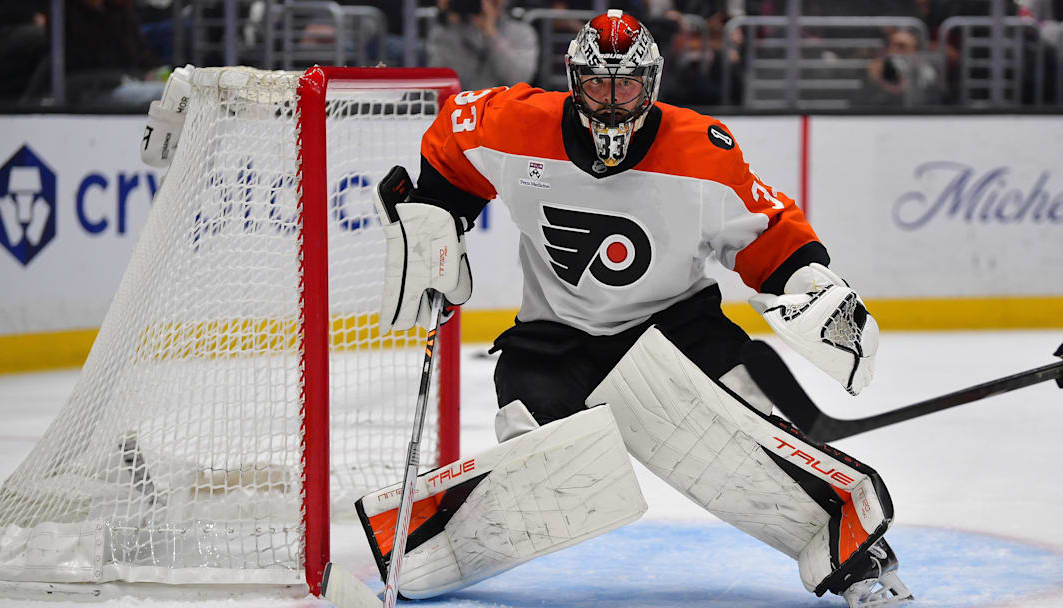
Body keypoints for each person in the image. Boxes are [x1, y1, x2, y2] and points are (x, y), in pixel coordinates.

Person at [365, 10, 912, 607]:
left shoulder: (701, 150)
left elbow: (767, 230)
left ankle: (858, 555)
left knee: (748, 441)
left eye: (626, 84)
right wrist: (437, 216)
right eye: (598, 84)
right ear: (574, 81)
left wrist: (813, 285)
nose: (611, 101)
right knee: (539, 465)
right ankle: (423, 544)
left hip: (679, 329)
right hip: (554, 341)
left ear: (650, 84)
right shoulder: (515, 124)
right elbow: (452, 144)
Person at [425, 0, 539, 90]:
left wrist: (491, 34)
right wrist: (446, 19)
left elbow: (519, 79)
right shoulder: (449, 30)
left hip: (501, 110)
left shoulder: (521, 32)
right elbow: (439, 81)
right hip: (459, 110)